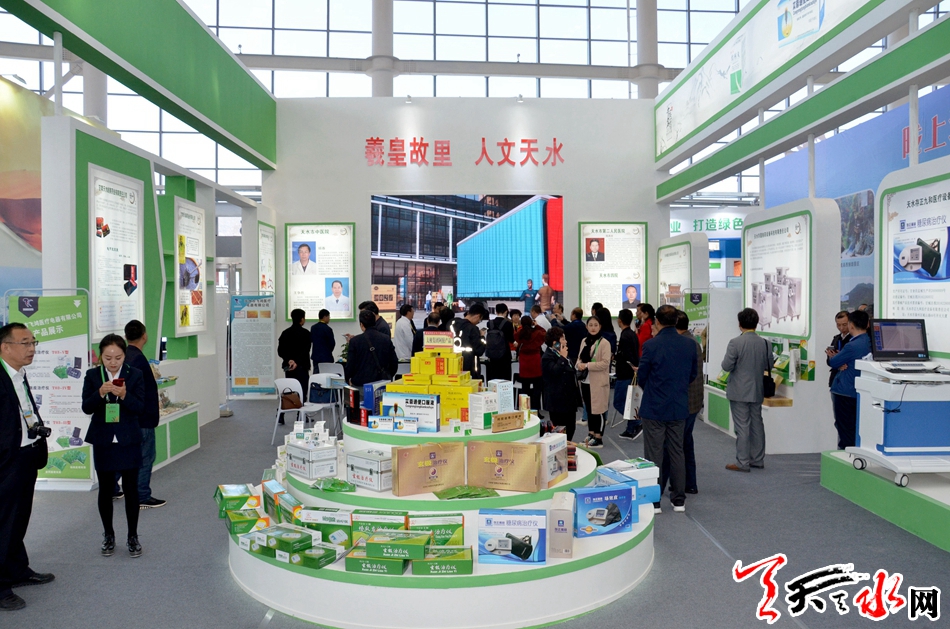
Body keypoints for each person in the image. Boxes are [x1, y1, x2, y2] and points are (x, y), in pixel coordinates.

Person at [0, 323, 53, 612]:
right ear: (5, 347)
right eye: (25, 343)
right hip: (6, 462)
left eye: (33, 342)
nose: (32, 348)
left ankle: (17, 570)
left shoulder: (19, 374)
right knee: (3, 522)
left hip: (26, 455)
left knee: (19, 518)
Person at [82, 334, 147, 557]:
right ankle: (108, 535)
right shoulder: (93, 375)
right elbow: (86, 407)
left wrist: (125, 395)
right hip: (104, 439)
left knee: (131, 489)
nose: (112, 362)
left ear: (124, 355)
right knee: (106, 489)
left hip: (128, 439)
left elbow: (140, 407)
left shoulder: (134, 374)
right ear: (101, 356)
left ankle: (133, 536)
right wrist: (100, 393)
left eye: (118, 358)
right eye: (108, 358)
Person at [637, 305, 697, 513]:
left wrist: (654, 389)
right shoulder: (689, 345)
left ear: (657, 321)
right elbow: (692, 375)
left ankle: (654, 502)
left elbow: (642, 376)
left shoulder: (651, 345)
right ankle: (678, 500)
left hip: (654, 407)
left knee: (654, 454)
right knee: (677, 452)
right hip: (678, 406)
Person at [721, 308, 773, 473]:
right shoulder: (765, 343)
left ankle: (742, 462)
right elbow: (769, 365)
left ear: (740, 324)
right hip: (757, 389)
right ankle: (757, 459)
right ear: (756, 323)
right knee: (757, 424)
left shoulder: (735, 342)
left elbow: (726, 366)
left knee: (742, 427)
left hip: (739, 390)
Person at [658, 311, 703, 495]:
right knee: (685, 443)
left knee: (673, 446)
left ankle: (668, 485)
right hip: (693, 400)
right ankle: (689, 483)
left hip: (684, 401)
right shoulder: (692, 342)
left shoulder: (684, 344)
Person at [123, 320, 164, 510]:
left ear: (126, 336)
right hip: (142, 418)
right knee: (145, 457)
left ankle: (114, 489)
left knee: (126, 456)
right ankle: (141, 495)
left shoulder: (125, 356)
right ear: (144, 336)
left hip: (130, 417)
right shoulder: (138, 359)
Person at [829, 310, 871, 450]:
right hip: (860, 391)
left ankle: (845, 456)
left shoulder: (852, 345)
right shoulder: (870, 342)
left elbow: (834, 362)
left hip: (845, 391)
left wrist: (836, 357)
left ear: (851, 325)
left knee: (845, 429)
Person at [576, 315, 612, 448]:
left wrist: (587, 365)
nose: (593, 328)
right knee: (590, 409)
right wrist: (579, 364)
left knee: (599, 410)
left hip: (599, 382)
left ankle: (598, 438)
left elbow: (605, 363)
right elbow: (579, 358)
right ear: (586, 327)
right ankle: (591, 434)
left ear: (600, 326)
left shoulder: (604, 343)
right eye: (590, 325)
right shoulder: (584, 341)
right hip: (586, 381)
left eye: (596, 325)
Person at [542, 327, 579, 441]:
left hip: (569, 399)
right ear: (555, 343)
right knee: (560, 430)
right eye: (563, 339)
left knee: (571, 427)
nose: (566, 341)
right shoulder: (547, 357)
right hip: (557, 400)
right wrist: (562, 358)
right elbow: (554, 371)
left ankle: (568, 447)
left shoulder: (563, 354)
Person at [344, 310, 398, 387]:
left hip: (360, 383)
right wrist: (387, 375)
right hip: (381, 383)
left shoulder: (355, 341)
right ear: (374, 322)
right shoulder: (385, 339)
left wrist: (348, 379)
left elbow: (350, 365)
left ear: (361, 325)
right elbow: (394, 362)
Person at [278, 309, 311, 414]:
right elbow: (305, 351)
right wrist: (297, 361)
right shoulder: (306, 333)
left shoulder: (285, 333)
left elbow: (280, 351)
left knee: (288, 390)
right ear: (302, 319)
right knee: (303, 391)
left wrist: (289, 360)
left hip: (289, 367)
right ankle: (301, 415)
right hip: (302, 367)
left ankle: (281, 414)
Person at [615, 309, 642, 441]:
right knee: (628, 403)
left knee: (619, 402)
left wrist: (618, 357)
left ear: (619, 320)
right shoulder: (632, 334)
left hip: (625, 374)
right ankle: (631, 429)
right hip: (630, 373)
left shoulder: (625, 336)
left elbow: (627, 356)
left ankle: (636, 422)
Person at [515, 315, 546, 415]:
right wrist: (536, 326)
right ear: (531, 323)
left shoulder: (519, 334)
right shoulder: (538, 333)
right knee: (537, 390)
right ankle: (536, 411)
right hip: (535, 362)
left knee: (525, 389)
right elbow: (544, 333)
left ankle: (525, 411)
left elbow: (515, 336)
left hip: (524, 363)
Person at [452, 303, 488, 377]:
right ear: (477, 316)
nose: (478, 322)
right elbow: (479, 350)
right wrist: (482, 337)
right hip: (469, 365)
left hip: (453, 363)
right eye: (479, 320)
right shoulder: (473, 329)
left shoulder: (453, 324)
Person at [485, 303, 515, 382]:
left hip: (492, 354)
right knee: (504, 377)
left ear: (496, 311)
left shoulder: (490, 323)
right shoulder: (508, 324)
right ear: (506, 312)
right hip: (504, 354)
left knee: (493, 375)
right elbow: (511, 338)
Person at [825, 311, 851, 388]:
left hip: (847, 379)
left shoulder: (854, 339)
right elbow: (828, 361)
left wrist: (838, 358)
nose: (841, 328)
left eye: (844, 325)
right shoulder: (836, 338)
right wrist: (832, 357)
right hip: (835, 379)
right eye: (838, 325)